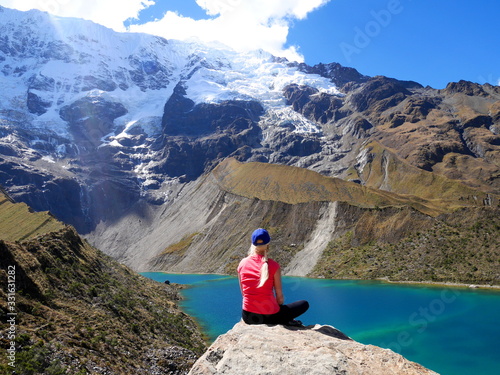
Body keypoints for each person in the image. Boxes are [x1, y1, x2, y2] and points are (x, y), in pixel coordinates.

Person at [237, 228, 309, 326]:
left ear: (253, 244)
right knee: (304, 304)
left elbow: (244, 294)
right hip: (270, 317)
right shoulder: (273, 266)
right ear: (268, 244)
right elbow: (279, 298)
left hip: (248, 317)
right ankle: (286, 320)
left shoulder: (242, 263)